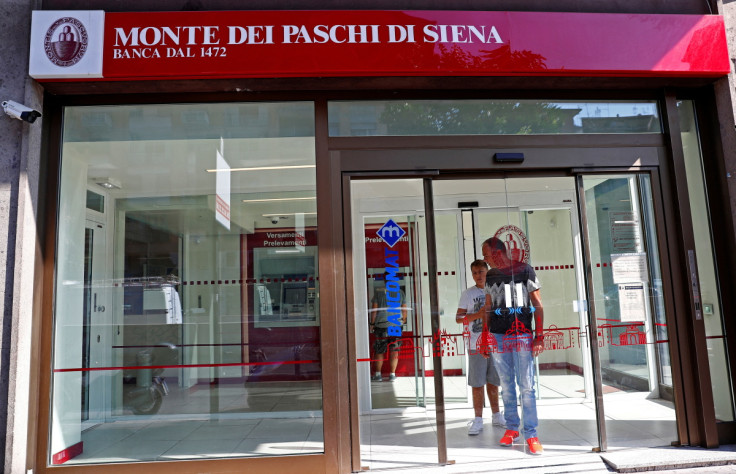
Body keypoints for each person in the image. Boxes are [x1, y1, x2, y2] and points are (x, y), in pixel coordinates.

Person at [482, 236, 545, 455]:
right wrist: (485, 336)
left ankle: (531, 433)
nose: (485, 259)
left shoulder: (525, 271)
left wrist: (540, 336)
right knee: (507, 385)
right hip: (498, 336)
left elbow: (537, 305)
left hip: (522, 335)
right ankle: (512, 429)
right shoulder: (491, 276)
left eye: (487, 255)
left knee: (526, 386)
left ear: (498, 252)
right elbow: (488, 307)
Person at [456, 259, 505, 435]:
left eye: (481, 272)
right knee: (477, 383)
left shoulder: (496, 290)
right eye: (475, 273)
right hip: (476, 343)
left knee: (494, 381)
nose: (478, 276)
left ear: (487, 271)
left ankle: (497, 415)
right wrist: (478, 314)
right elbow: (459, 318)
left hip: (495, 342)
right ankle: (478, 419)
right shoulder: (467, 294)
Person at [369, 285, 408, 382]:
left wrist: (372, 323)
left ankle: (378, 375)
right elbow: (404, 309)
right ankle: (392, 374)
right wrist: (403, 320)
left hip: (381, 326)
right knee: (394, 350)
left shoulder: (379, 292)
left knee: (379, 350)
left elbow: (374, 310)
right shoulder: (400, 292)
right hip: (396, 325)